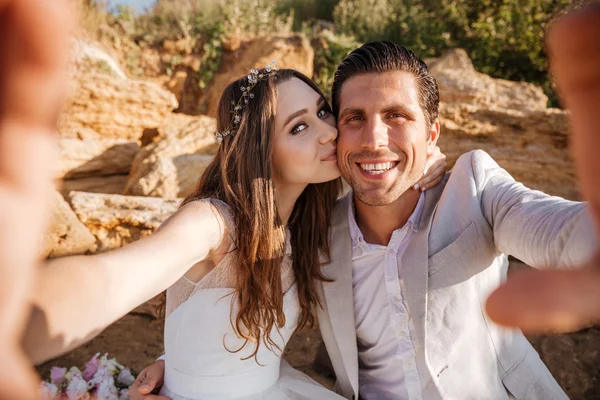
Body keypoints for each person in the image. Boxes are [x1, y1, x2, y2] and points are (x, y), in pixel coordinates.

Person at [131, 22, 599, 400]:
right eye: (354, 118)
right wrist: (182, 366)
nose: (374, 139)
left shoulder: (475, 187)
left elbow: (557, 229)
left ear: (432, 134)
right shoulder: (315, 230)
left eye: (396, 116)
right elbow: (240, 303)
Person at [21, 62, 447, 399]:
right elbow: (108, 280)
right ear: (260, 150)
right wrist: (13, 333)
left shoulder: (305, 226)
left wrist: (424, 159)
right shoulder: (212, 223)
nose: (330, 132)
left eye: (322, 112)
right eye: (299, 127)